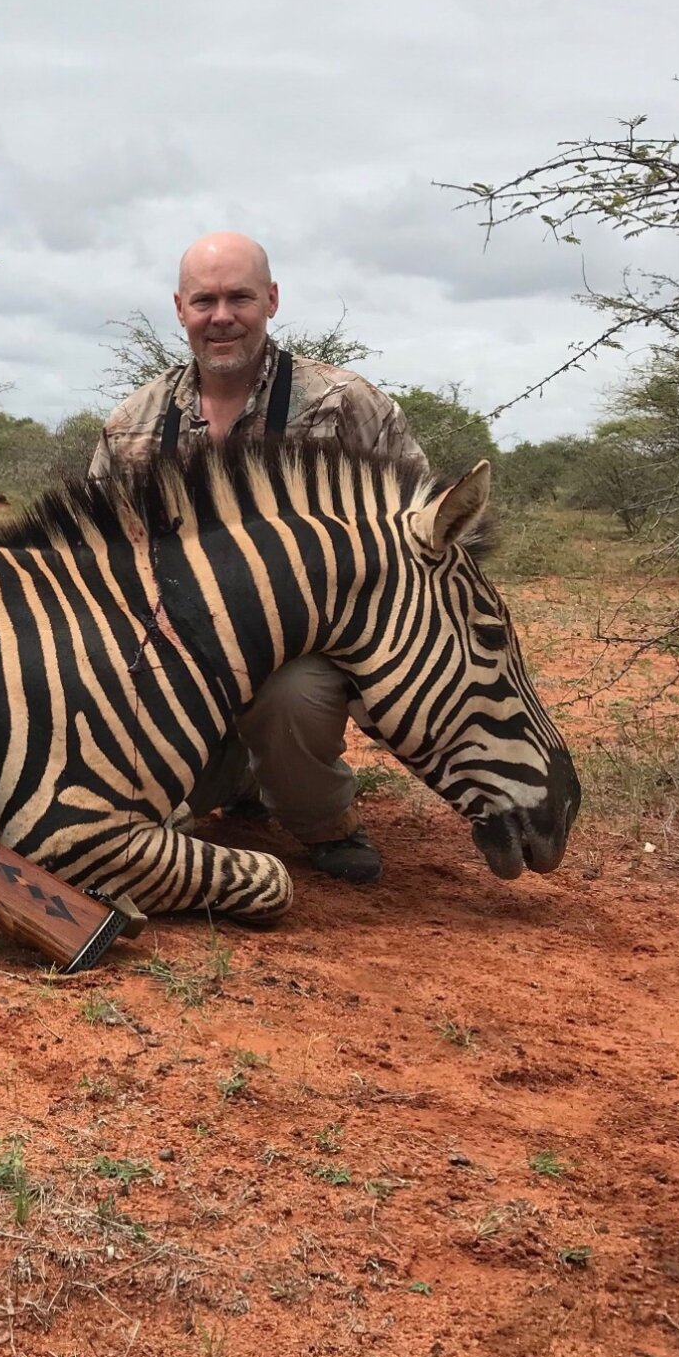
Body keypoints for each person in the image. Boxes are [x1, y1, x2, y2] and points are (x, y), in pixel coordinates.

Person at [90, 233, 430, 886]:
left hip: (299, 647)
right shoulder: (134, 422)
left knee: (292, 694)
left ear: (271, 299)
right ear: (180, 308)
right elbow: (94, 560)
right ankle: (232, 777)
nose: (222, 315)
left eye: (240, 297)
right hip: (173, 653)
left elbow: (420, 536)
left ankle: (322, 819)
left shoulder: (344, 405)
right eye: (204, 300)